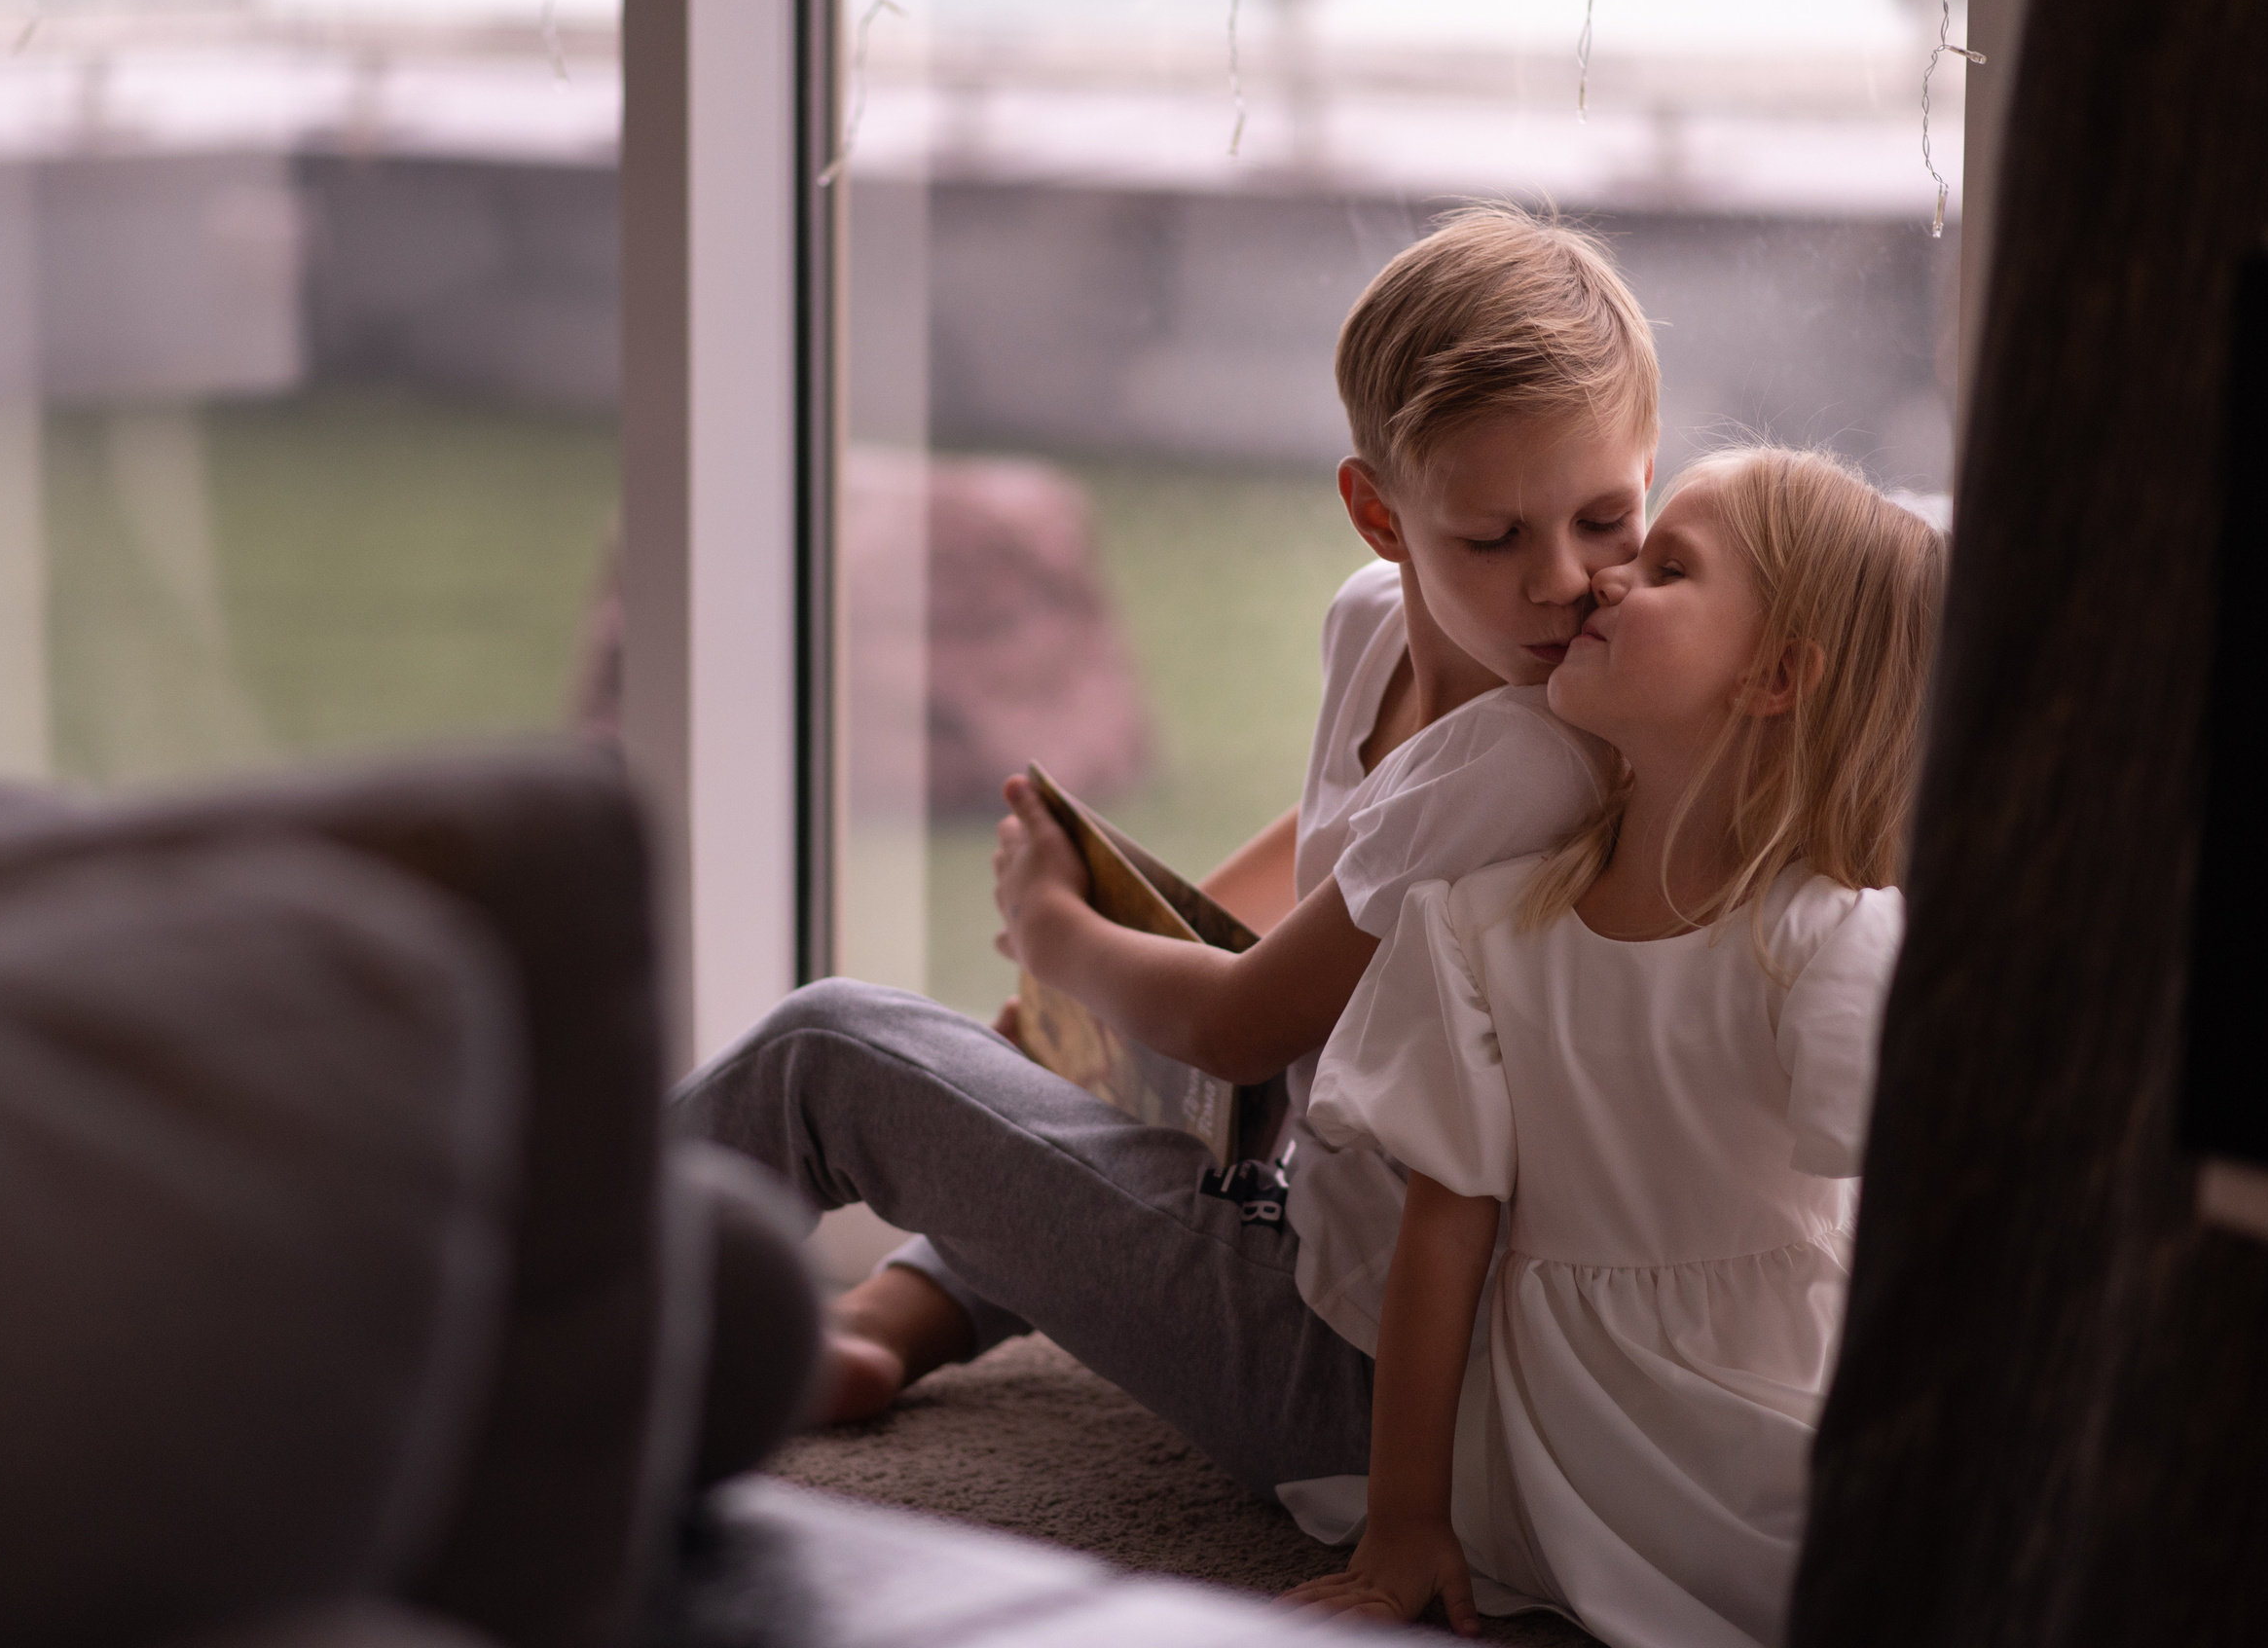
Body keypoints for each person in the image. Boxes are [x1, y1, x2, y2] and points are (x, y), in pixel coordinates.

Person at [672, 202, 1659, 1501]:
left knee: (828, 1050)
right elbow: (1336, 842)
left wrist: (1054, 932)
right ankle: (882, 1327)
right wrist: (1107, 945)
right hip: (1311, 1228)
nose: (1565, 582)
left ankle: (502, 1319)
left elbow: (1245, 1026)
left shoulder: (1534, 750)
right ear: (1378, 515)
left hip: (1373, 1374)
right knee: (1085, 1059)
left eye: (1608, 519)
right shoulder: (1374, 630)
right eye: (1496, 536)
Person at [1276, 448, 1943, 1646]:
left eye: (1667, 565)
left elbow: (1930, 1228)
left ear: (1777, 675)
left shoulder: (1823, 938)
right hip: (1553, 1427)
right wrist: (1404, 1522)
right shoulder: (1481, 927)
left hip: (1765, 1391)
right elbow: (1444, 1228)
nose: (1607, 583)